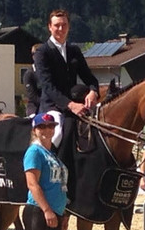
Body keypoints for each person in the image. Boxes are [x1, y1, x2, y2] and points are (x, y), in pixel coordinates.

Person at [33, 9, 99, 146]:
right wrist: (70, 105)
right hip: (53, 106)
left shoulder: (74, 50)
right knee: (56, 136)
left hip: (77, 105)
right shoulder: (42, 52)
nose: (61, 29)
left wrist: (93, 91)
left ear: (69, 27)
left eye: (64, 25)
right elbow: (48, 86)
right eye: (57, 25)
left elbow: (89, 78)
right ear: (50, 27)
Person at [22, 44, 41, 117]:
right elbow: (33, 96)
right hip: (35, 106)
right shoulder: (29, 74)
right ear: (33, 56)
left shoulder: (50, 72)